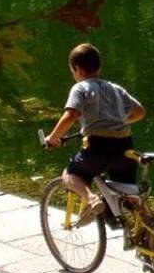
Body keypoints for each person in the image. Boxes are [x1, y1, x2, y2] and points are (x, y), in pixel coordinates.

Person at [45, 43, 146, 225]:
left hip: (98, 147)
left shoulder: (80, 88)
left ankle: (92, 200)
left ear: (76, 69)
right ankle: (150, 231)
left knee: (69, 174)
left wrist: (52, 138)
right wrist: (119, 121)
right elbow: (140, 112)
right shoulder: (116, 88)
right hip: (125, 146)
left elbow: (70, 115)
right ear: (99, 67)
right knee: (130, 193)